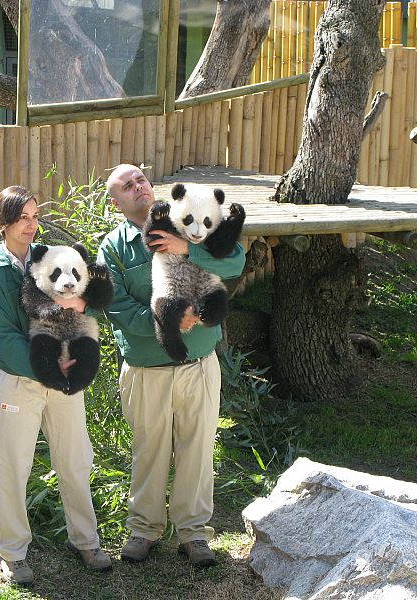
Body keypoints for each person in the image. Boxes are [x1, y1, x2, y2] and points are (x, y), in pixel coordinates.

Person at [97, 164, 246, 567]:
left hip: (198, 363)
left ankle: (194, 533)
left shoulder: (192, 217)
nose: (138, 186)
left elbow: (234, 263)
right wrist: (165, 321)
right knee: (149, 451)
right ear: (115, 203)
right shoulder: (113, 247)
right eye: (126, 186)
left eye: (141, 179)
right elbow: (114, 305)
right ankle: (143, 530)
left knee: (197, 449)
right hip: (147, 368)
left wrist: (188, 250)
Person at [0, 186, 112, 586]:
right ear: (3, 222)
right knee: (14, 466)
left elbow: (95, 287)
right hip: (22, 379)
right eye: (22, 218)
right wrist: (50, 366)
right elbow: (4, 337)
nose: (31, 225)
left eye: (35, 216)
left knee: (76, 459)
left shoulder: (54, 257)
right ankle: (12, 552)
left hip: (67, 377)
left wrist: (82, 309)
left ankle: (86, 540)